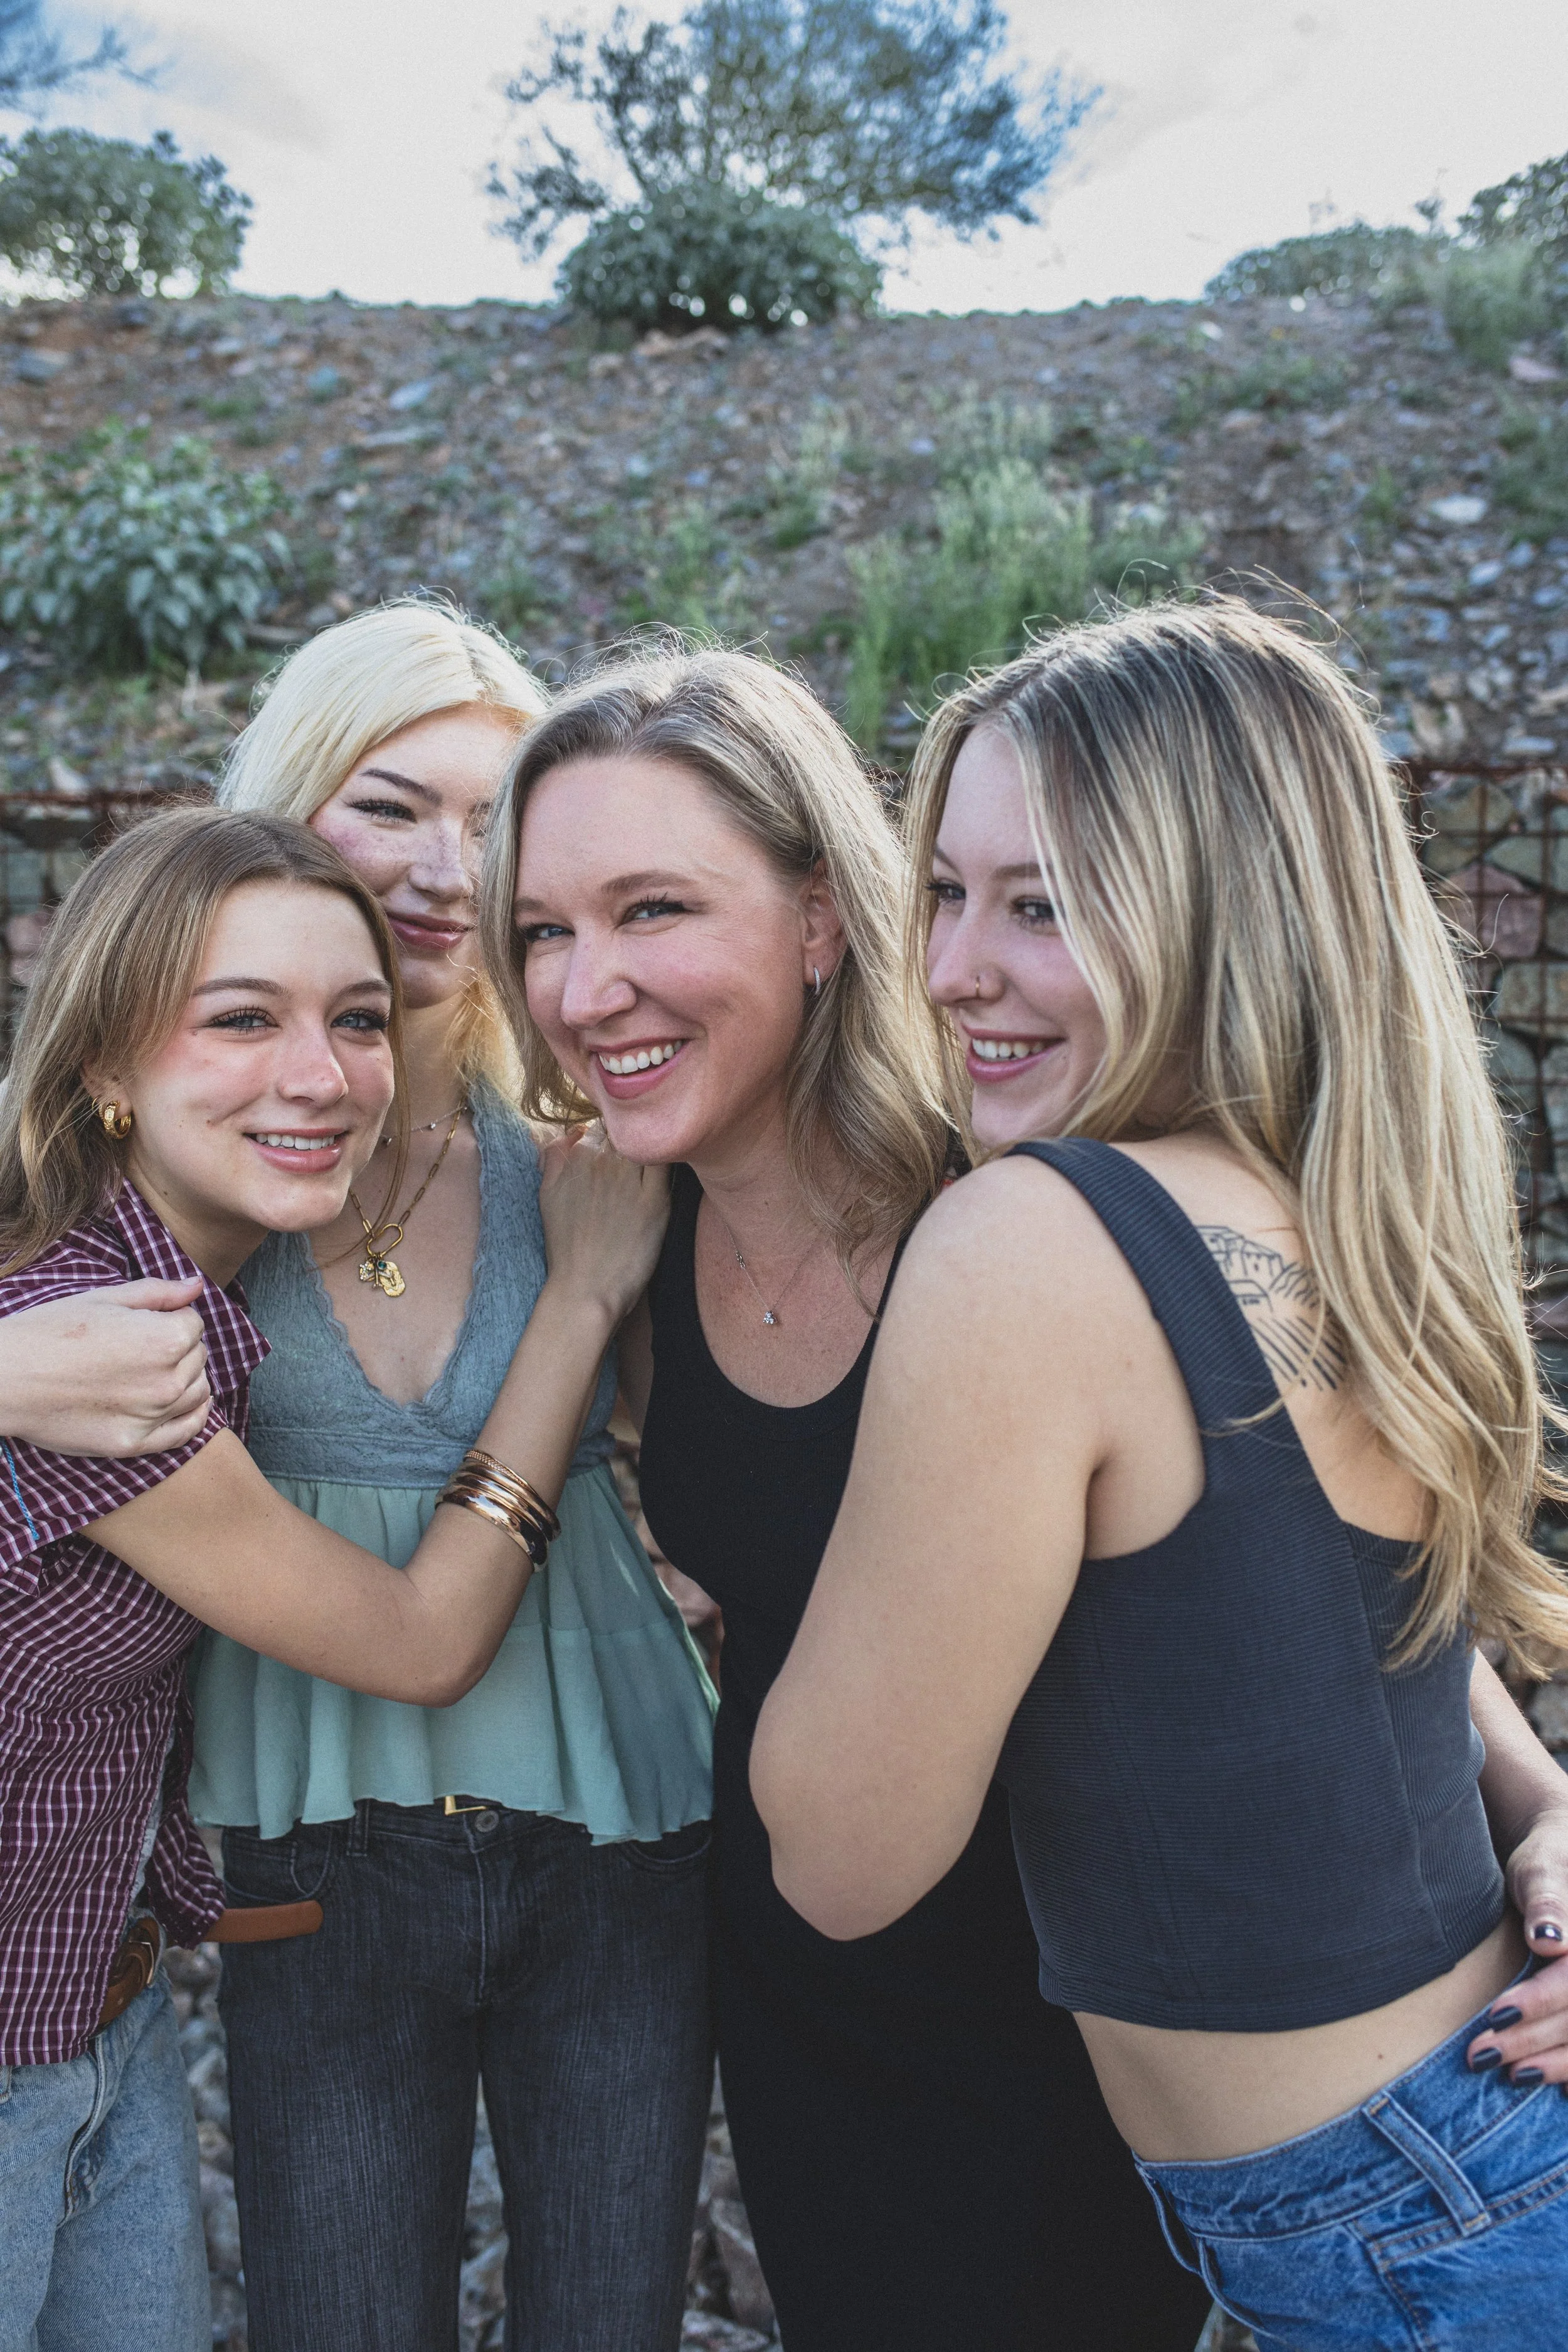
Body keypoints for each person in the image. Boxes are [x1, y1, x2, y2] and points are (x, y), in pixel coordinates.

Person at [750, 598, 1568, 2351]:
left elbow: (838, 1853)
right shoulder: (1341, 1206)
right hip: (1463, 2170)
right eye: (947, 890)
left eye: (1040, 901)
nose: (956, 966)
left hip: (1405, 2222)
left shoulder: (1027, 1241)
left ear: (1228, 909)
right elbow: (1343, 1649)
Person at [483, 642, 1216, 2349]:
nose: (585, 988)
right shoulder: (627, 1239)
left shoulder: (1011, 1201)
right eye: (542, 928)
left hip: (1077, 2024)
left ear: (821, 918)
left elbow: (1292, 1552)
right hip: (804, 2003)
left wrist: (1538, 1802)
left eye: (652, 909)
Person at [0, 805, 667, 2352]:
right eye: (242, 1020)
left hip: (105, 2029)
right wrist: (576, 1301)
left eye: (357, 1020)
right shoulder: (109, 1353)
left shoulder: (153, 1302)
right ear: (105, 1062)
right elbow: (420, 1637)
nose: (322, 1076)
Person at [183, 600, 716, 2352]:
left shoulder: (592, 1139)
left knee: (610, 2321)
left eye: (493, 823)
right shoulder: (197, 1159)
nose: (443, 868)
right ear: (289, 805)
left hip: (619, 1835)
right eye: (391, 804)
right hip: (316, 1853)